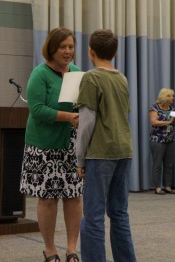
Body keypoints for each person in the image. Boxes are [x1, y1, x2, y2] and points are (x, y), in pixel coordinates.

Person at [20, 27, 83, 262]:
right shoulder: (40, 74)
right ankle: (49, 250)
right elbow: (37, 110)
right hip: (43, 146)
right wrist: (68, 117)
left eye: (71, 46)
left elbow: (80, 104)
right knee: (47, 198)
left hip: (71, 145)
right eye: (63, 47)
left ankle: (71, 248)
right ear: (52, 48)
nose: (68, 51)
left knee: (74, 196)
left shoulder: (76, 72)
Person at [75, 29, 137, 262]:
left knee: (93, 216)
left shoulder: (91, 78)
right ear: (115, 52)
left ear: (91, 51)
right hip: (124, 150)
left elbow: (87, 122)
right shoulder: (122, 78)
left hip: (101, 153)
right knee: (119, 213)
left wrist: (80, 158)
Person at [149, 88, 175, 195]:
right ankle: (157, 187)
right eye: (171, 96)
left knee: (169, 164)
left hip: (170, 140)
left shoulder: (171, 108)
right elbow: (154, 122)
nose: (173, 98)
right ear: (165, 97)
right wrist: (168, 121)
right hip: (157, 140)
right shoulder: (154, 108)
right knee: (157, 164)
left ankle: (167, 186)